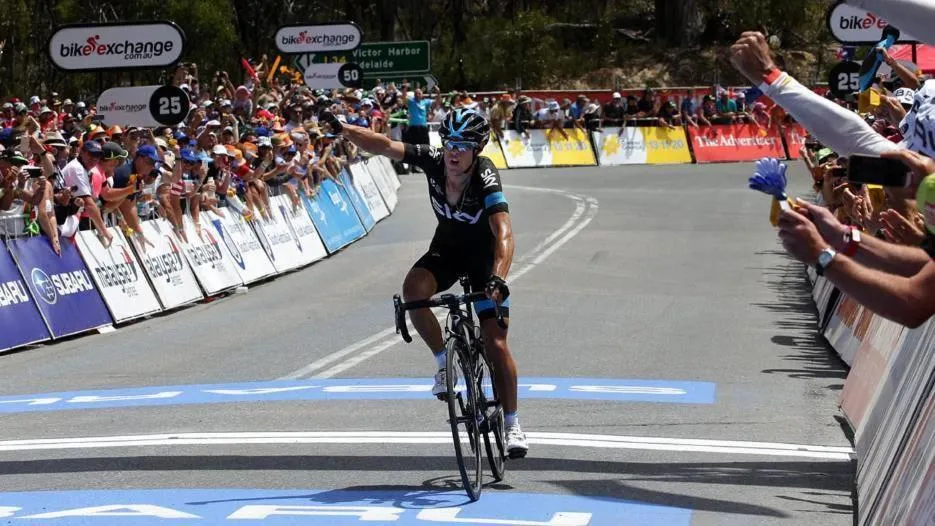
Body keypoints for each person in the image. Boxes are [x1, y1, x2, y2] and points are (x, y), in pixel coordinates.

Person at [319, 107, 528, 458]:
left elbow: (503, 231)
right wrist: (344, 129)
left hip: (483, 260)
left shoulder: (485, 176)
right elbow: (385, 145)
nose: (453, 152)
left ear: (477, 149)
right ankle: (445, 361)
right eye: (449, 143)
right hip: (446, 251)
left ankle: (512, 424)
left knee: (495, 343)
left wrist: (499, 278)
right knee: (413, 293)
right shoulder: (434, 160)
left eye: (463, 145)